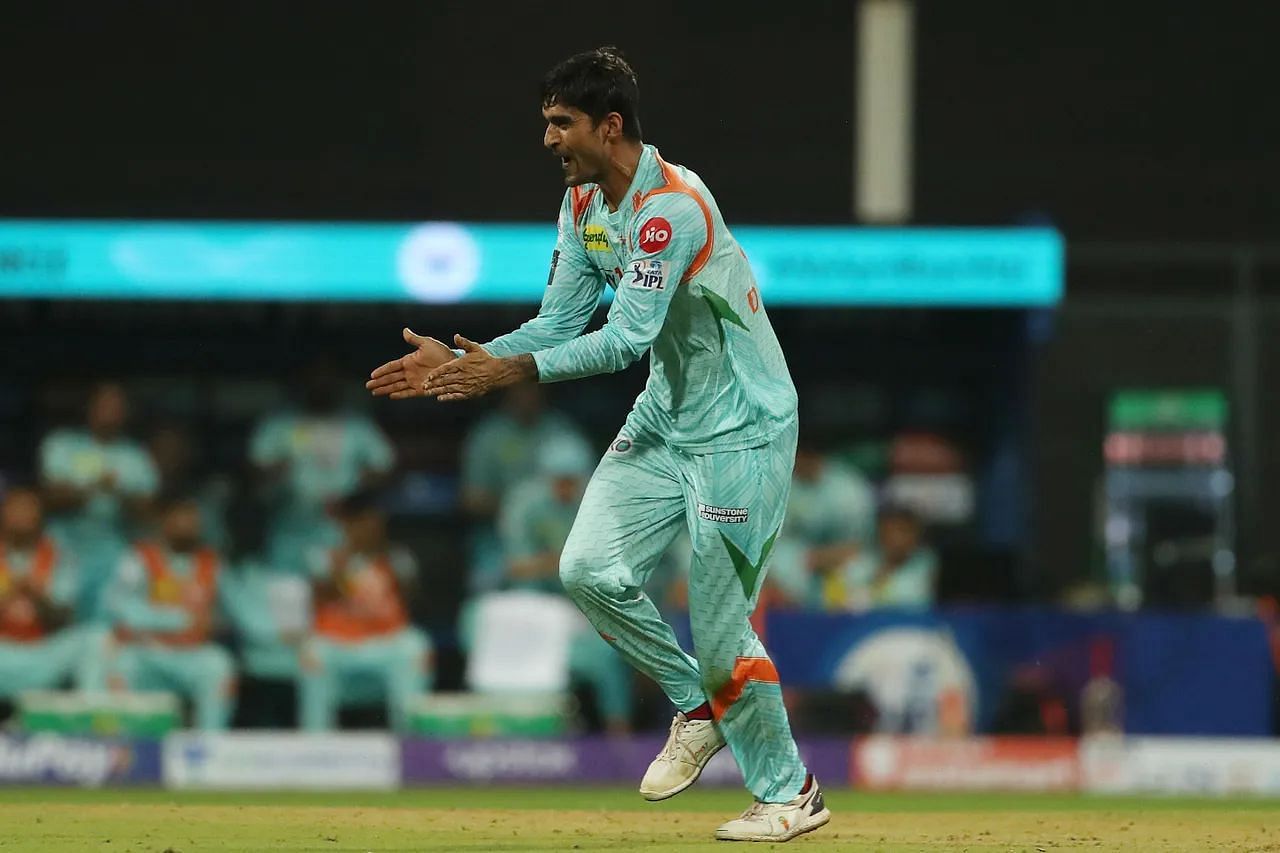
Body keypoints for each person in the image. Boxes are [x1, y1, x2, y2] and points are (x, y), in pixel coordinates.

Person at [367, 47, 828, 842]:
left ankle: (790, 792)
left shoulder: (671, 208)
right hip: (665, 418)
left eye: (560, 123)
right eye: (545, 122)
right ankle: (697, 705)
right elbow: (557, 323)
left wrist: (505, 373)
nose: (547, 139)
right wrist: (469, 360)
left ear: (608, 126)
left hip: (740, 431)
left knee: (722, 631)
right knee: (586, 570)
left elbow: (625, 337)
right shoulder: (583, 204)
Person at [497, 436, 632, 733]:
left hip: (582, 605)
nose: (566, 488)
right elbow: (516, 568)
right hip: (534, 604)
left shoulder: (600, 499)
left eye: (573, 480)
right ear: (544, 476)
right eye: (559, 480)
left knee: (610, 653)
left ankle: (621, 741)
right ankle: (543, 733)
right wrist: (565, 562)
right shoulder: (524, 502)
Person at [298, 493, 431, 732]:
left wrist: (384, 559)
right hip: (338, 642)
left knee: (416, 646)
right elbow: (319, 598)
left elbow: (413, 599)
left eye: (375, 523)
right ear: (347, 525)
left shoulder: (397, 557)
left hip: (384, 642)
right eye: (363, 523)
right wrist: (346, 562)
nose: (371, 529)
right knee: (312, 652)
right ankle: (315, 739)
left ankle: (410, 737)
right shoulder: (326, 557)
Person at [251, 360, 395, 574]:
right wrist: (280, 473)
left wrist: (356, 489)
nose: (321, 384)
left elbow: (385, 467)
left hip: (341, 535)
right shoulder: (280, 424)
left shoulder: (357, 425)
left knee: (340, 600)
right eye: (315, 377)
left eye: (327, 378)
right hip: (290, 533)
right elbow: (256, 469)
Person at [105, 495, 236, 730]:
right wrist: (174, 620)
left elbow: (228, 615)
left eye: (192, 520)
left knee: (219, 665)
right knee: (121, 663)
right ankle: (121, 743)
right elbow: (118, 606)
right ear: (164, 522)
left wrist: (214, 622)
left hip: (192, 654)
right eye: (179, 518)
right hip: (148, 651)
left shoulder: (212, 563)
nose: (186, 526)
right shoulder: (140, 558)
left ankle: (210, 744)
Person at [39, 382, 158, 619]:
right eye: (104, 405)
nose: (109, 412)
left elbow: (148, 515)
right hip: (64, 546)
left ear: (126, 412)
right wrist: (92, 487)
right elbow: (50, 499)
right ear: (89, 408)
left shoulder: (135, 456)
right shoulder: (63, 444)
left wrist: (120, 492)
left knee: (106, 623)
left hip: (112, 550)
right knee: (61, 615)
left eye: (116, 406)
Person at [461, 384, 587, 593]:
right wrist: (516, 505)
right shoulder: (489, 435)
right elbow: (471, 499)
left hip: (562, 531)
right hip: (498, 532)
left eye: (532, 387)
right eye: (521, 388)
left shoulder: (561, 430)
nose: (527, 395)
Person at [0, 487, 109, 699]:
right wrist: (10, 594)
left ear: (40, 517)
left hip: (43, 653)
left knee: (95, 638)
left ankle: (91, 718)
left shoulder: (60, 557)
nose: (22, 515)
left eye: (29, 509)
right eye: (16, 508)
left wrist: (36, 595)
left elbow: (65, 618)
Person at [769, 440, 877, 609]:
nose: (804, 462)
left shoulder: (848, 488)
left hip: (839, 556)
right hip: (792, 557)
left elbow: (859, 544)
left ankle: (841, 620)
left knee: (859, 571)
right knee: (778, 565)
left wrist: (821, 557)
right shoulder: (775, 482)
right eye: (799, 456)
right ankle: (788, 617)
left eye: (810, 456)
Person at [841, 506, 937, 610]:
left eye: (904, 531)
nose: (897, 538)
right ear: (881, 533)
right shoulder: (862, 563)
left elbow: (915, 599)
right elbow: (846, 602)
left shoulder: (926, 562)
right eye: (891, 531)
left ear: (916, 535)